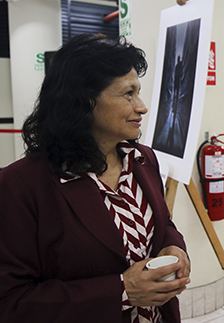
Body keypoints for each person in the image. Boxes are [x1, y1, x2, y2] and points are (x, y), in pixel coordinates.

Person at [0, 34, 191, 323]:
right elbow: (12, 302)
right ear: (84, 101)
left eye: (138, 92)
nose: (142, 106)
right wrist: (121, 292)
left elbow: (162, 223)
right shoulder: (21, 186)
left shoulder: (143, 159)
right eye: (128, 93)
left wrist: (174, 245)